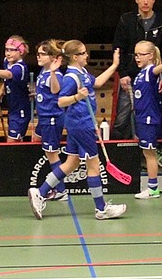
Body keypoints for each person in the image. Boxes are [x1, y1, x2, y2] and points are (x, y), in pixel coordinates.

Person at [28, 43, 125, 220]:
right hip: (81, 125)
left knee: (71, 163)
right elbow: (61, 101)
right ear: (74, 57)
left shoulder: (83, 72)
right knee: (93, 166)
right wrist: (77, 97)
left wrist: (114, 65)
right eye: (83, 53)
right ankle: (101, 208)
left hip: (80, 123)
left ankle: (40, 193)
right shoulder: (71, 78)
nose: (87, 55)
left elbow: (98, 82)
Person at [112, 0, 162, 140]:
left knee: (153, 114)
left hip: (154, 76)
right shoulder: (126, 20)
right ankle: (120, 148)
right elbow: (118, 48)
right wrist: (123, 73)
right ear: (136, 0)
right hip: (130, 76)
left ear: (154, 0)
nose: (145, 2)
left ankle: (153, 146)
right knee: (123, 117)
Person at [131, 41, 162, 199]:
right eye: (136, 54)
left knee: (150, 154)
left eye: (141, 54)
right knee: (146, 152)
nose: (137, 58)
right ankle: (152, 187)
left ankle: (153, 188)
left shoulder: (150, 71)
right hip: (141, 117)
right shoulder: (141, 73)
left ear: (150, 56)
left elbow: (155, 70)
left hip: (149, 118)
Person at [32, 39, 70, 202]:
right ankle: (59, 188)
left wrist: (54, 72)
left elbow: (56, 90)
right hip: (43, 117)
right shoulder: (43, 72)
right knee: (47, 150)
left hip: (52, 118)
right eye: (38, 53)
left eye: (42, 54)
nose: (38, 56)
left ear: (53, 57)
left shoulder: (55, 74)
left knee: (52, 153)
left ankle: (61, 190)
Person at [0, 35, 32, 142]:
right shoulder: (7, 61)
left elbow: (9, 75)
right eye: (7, 50)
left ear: (21, 51)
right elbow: (7, 80)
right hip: (12, 108)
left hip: (21, 109)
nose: (8, 53)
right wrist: (0, 92)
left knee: (12, 141)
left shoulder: (20, 68)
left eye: (12, 50)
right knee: (15, 139)